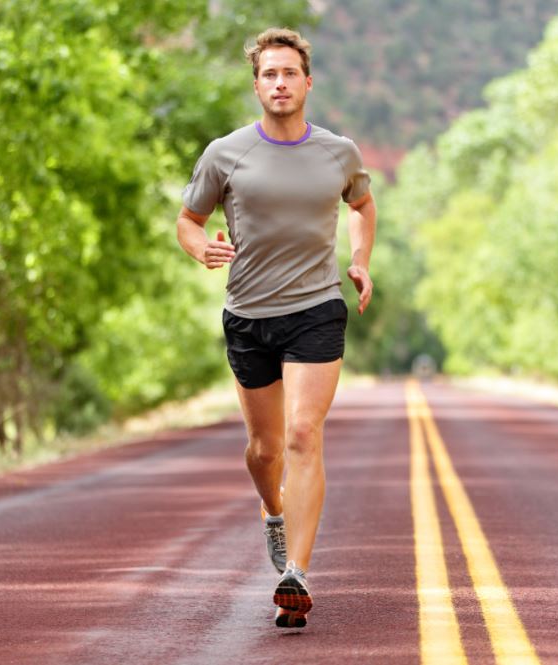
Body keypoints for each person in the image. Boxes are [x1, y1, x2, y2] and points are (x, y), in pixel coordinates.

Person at [175, 27, 376, 629]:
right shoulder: (225, 153)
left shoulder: (338, 152)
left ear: (307, 83)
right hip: (248, 317)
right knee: (265, 452)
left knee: (302, 435)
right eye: (269, 74)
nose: (280, 83)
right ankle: (273, 514)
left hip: (315, 309)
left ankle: (298, 573)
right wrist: (199, 250)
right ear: (257, 84)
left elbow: (361, 205)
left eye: (289, 73)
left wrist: (360, 260)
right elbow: (189, 219)